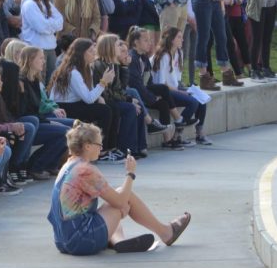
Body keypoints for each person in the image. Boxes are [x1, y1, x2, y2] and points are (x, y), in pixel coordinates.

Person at [47, 121, 191, 255]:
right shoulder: (85, 170)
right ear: (88, 146)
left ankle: (118, 241)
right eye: (99, 144)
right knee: (125, 197)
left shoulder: (68, 165)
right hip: (80, 241)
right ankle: (167, 233)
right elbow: (121, 202)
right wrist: (130, 173)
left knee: (114, 202)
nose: (101, 148)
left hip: (62, 240)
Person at [48, 38, 120, 163]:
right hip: (63, 107)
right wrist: (103, 82)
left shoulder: (87, 68)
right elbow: (88, 99)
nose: (94, 54)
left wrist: (100, 97)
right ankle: (101, 150)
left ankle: (110, 148)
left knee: (111, 108)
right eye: (91, 51)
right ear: (82, 53)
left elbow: (91, 92)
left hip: (75, 103)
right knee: (105, 111)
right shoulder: (73, 72)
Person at [20, 0, 64, 79]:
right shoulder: (29, 4)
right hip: (36, 48)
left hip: (50, 47)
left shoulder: (46, 3)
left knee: (52, 81)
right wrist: (51, 25)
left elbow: (60, 22)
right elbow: (41, 27)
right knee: (40, 81)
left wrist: (48, 24)